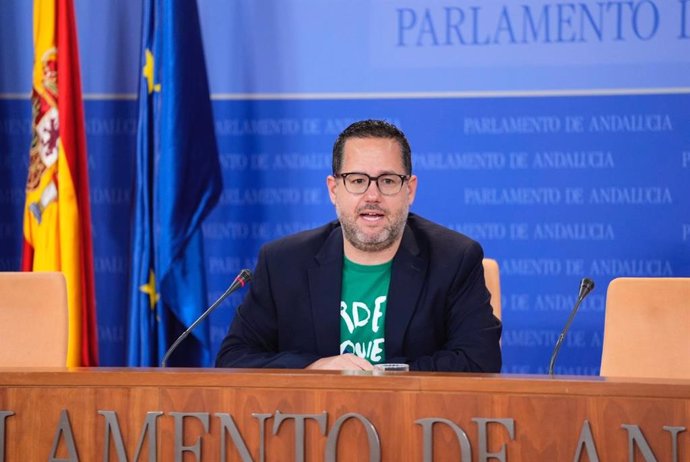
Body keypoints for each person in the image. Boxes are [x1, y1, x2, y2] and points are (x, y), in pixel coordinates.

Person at [215, 119, 502, 372]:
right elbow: (234, 358)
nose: (372, 195)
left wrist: (383, 377)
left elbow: (480, 360)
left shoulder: (454, 259)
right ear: (333, 190)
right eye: (357, 180)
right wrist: (315, 366)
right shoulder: (283, 263)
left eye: (388, 181)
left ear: (410, 190)